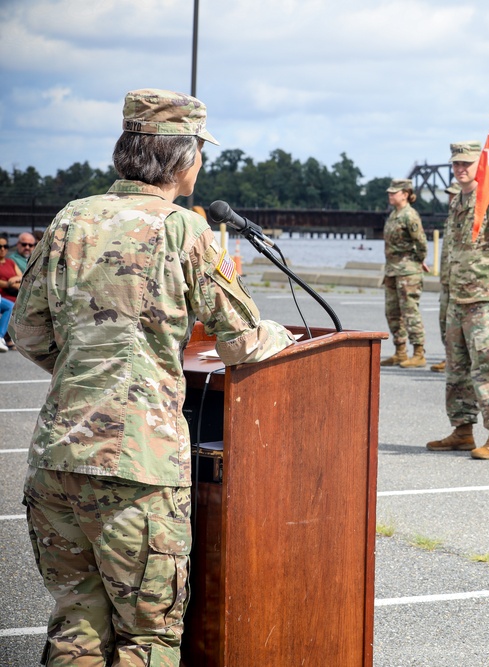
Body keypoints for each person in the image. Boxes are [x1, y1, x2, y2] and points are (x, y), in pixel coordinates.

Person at [11, 88, 294, 666]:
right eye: (200, 151)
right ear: (183, 156)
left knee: (76, 627)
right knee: (149, 637)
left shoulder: (70, 219)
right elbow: (239, 341)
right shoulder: (183, 229)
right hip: (139, 468)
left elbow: (28, 334)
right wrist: (281, 339)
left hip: (57, 460)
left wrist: (89, 370)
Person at [426, 141, 489, 459]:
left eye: (466, 163)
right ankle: (463, 431)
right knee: (457, 370)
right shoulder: (457, 203)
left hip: (486, 302)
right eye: (455, 164)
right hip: (457, 299)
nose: (460, 169)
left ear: (479, 165)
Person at [381, 178, 429, 368]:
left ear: (406, 194)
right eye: (390, 192)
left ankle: (419, 353)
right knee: (392, 312)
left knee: (410, 312)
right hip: (392, 271)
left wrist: (416, 262)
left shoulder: (410, 216)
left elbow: (422, 243)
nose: (390, 195)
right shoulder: (394, 214)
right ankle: (400, 351)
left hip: (408, 272)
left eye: (394, 192)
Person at [431, 180, 462, 373]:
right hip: (447, 281)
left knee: (456, 323)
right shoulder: (451, 218)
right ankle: (450, 357)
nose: (450, 197)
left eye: (453, 194)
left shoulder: (468, 217)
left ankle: (456, 360)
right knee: (444, 321)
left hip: (460, 283)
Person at [0, 239, 13, 352]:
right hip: (3, 296)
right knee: (10, 306)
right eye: (0, 246)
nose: (2, 249)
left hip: (13, 295)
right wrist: (10, 283)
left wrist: (15, 280)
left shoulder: (10, 262)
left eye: (5, 246)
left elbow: (22, 277)